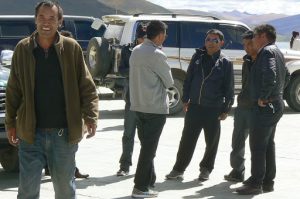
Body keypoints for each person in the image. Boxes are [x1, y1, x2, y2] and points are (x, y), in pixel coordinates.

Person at [5, 1, 99, 198]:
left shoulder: (71, 49)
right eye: (41, 17)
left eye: (51, 18)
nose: (46, 22)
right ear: (35, 19)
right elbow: (13, 89)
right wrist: (10, 123)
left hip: (63, 135)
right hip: (30, 134)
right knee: (27, 191)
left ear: (60, 22)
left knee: (65, 190)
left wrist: (91, 116)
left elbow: (87, 86)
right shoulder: (23, 49)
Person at [166, 29, 234, 182]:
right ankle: (178, 169)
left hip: (213, 108)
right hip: (195, 106)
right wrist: (185, 99)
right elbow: (189, 78)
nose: (210, 42)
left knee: (211, 142)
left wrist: (226, 109)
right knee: (187, 140)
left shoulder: (225, 62)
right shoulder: (197, 57)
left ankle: (206, 169)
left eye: (214, 40)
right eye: (208, 39)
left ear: (221, 43)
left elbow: (229, 88)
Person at [236, 24, 290, 195]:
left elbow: (271, 75)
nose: (252, 40)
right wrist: (277, 94)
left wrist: (265, 96)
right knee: (267, 145)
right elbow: (287, 75)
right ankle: (267, 182)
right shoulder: (277, 51)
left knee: (258, 145)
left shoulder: (266, 52)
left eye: (254, 36)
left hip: (267, 106)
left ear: (263, 36)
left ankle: (256, 183)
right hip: (275, 104)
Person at [129, 20, 174, 198]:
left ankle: (148, 182)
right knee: (149, 150)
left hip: (138, 106)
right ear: (161, 34)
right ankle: (139, 188)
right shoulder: (157, 54)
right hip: (155, 108)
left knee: (146, 147)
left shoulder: (136, 50)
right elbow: (169, 82)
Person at [43, 30, 90, 179]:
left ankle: (68, 168)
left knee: (69, 146)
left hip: (71, 116)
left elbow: (87, 88)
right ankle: (56, 167)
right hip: (53, 119)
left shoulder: (74, 61)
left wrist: (90, 115)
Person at [224, 30, 257, 182]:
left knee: (256, 145)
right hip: (242, 107)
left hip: (257, 109)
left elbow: (285, 76)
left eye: (249, 44)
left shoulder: (264, 59)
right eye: (244, 44)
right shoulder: (247, 60)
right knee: (237, 141)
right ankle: (238, 170)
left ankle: (257, 177)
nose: (246, 47)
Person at [116, 24, 146, 176]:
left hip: (148, 100)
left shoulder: (154, 51)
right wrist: (136, 70)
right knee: (128, 134)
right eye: (143, 39)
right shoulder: (127, 50)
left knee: (146, 137)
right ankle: (124, 166)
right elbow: (121, 70)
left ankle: (145, 167)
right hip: (132, 98)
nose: (145, 42)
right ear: (138, 38)